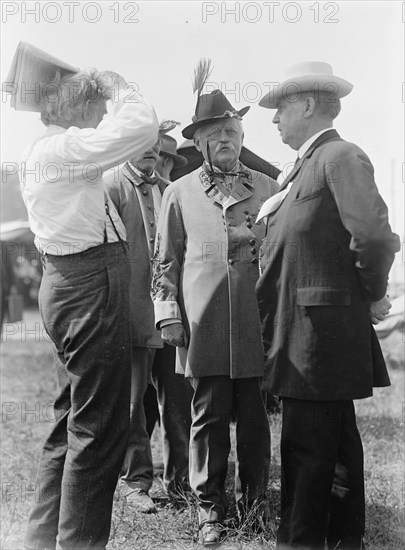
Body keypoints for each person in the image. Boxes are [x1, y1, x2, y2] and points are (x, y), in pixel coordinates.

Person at [255, 61, 400, 550]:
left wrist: (374, 292)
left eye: (280, 110)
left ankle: (300, 543)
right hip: (304, 333)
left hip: (318, 336)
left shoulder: (338, 157)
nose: (274, 120)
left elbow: (374, 235)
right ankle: (341, 540)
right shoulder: (304, 167)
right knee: (333, 447)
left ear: (309, 105)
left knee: (304, 449)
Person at [21, 68, 158, 550]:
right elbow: (141, 127)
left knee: (71, 417)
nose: (103, 118)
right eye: (98, 108)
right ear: (77, 106)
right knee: (99, 427)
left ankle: (40, 539)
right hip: (89, 287)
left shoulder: (51, 153)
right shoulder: (63, 151)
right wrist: (120, 85)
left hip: (70, 283)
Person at [151, 87, 279, 546]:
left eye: (233, 131)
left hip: (254, 324)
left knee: (255, 416)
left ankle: (253, 502)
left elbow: (280, 258)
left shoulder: (267, 189)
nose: (227, 138)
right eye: (217, 133)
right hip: (202, 324)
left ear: (243, 136)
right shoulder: (179, 193)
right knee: (206, 415)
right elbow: (165, 262)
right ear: (200, 141)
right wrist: (168, 316)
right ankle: (210, 508)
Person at [105, 124, 192, 514]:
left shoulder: (170, 189)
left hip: (172, 315)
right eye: (143, 145)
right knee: (133, 402)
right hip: (131, 312)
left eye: (157, 147)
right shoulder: (110, 185)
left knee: (178, 401)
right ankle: (136, 481)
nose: (152, 151)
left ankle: (182, 482)